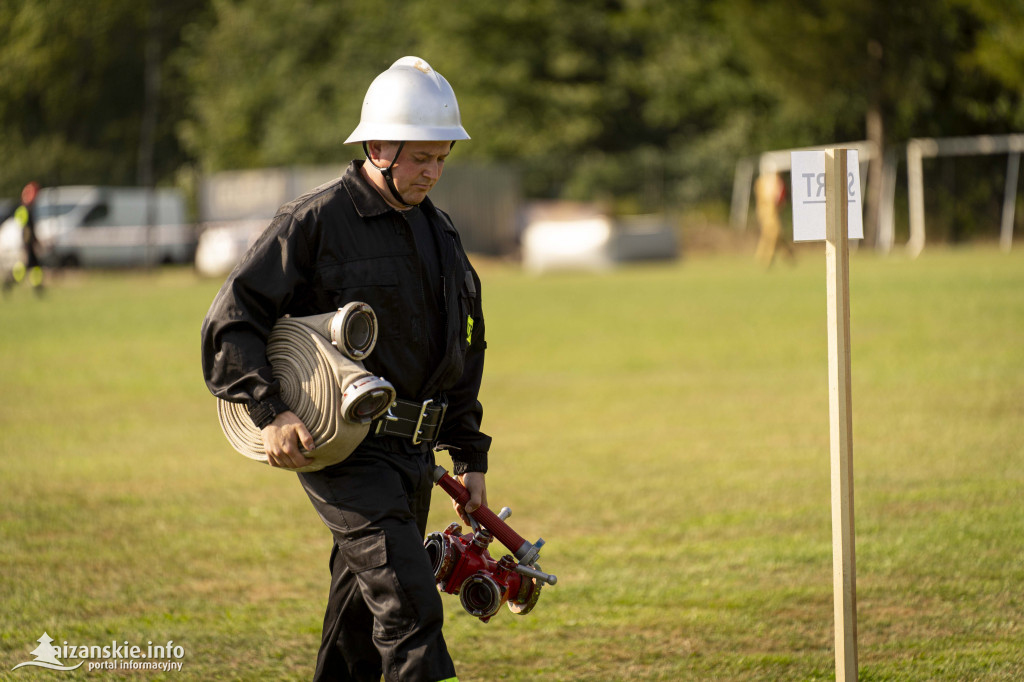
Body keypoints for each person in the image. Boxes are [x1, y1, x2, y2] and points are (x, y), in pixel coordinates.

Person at [201, 57, 490, 682]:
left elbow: (466, 346)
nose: (433, 173)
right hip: (342, 453)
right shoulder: (312, 222)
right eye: (421, 159)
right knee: (412, 611)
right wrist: (269, 411)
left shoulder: (440, 232)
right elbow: (232, 320)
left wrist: (470, 458)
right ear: (378, 146)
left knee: (359, 624)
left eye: (442, 159)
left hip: (413, 459)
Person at [3, 181, 44, 296]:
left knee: (34, 266)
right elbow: (24, 229)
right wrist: (27, 244)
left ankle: (38, 288)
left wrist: (35, 241)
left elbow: (31, 229)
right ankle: (9, 283)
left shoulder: (28, 209)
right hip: (26, 244)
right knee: (24, 267)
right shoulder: (24, 210)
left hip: (28, 243)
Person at [754, 160, 793, 268]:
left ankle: (764, 257)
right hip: (768, 211)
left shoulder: (769, 181)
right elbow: (771, 198)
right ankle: (769, 258)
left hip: (770, 211)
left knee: (772, 234)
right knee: (774, 233)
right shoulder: (765, 182)